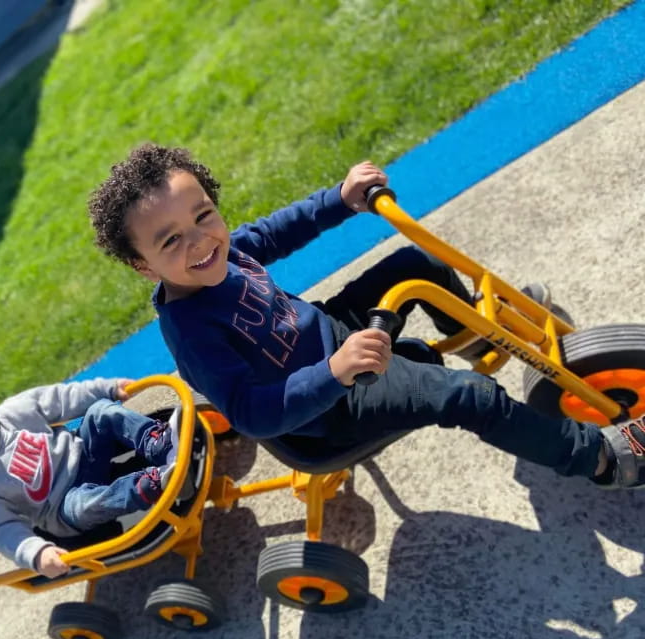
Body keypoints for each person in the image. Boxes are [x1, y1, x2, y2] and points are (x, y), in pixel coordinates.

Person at [87, 143, 645, 490]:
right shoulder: (191, 330)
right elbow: (252, 412)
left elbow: (276, 231)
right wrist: (335, 372)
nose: (199, 241)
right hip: (329, 410)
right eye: (169, 241)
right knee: (468, 398)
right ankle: (599, 460)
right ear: (143, 266)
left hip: (332, 334)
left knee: (415, 263)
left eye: (204, 215)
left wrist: (340, 198)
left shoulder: (225, 250)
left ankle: (477, 337)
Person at [0, 378, 180, 577]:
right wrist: (36, 553)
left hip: (83, 454)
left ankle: (159, 442)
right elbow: (0, 530)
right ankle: (151, 483)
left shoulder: (13, 413)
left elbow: (61, 398)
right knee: (86, 505)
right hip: (63, 506)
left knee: (99, 411)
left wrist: (107, 388)